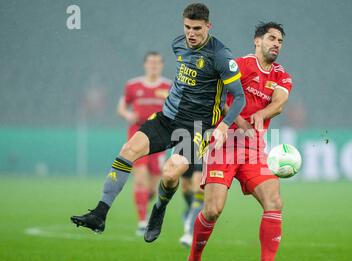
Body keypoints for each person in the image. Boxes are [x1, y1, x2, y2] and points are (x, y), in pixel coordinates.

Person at [70, 3, 246, 240]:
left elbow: (240, 98)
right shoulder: (178, 44)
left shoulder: (221, 56)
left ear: (208, 26)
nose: (191, 33)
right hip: (167, 118)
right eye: (187, 28)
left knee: (171, 173)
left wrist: (224, 125)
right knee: (127, 150)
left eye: (197, 28)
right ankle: (100, 214)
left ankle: (159, 209)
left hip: (196, 127)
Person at [185, 22, 292, 261]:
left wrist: (262, 115)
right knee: (213, 210)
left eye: (280, 40)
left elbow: (279, 102)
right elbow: (218, 98)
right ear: (257, 41)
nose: (276, 44)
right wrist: (240, 120)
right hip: (225, 143)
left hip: (254, 148)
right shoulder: (240, 65)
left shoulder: (282, 75)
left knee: (274, 202)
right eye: (271, 38)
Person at [117, 52, 171, 236]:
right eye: (150, 62)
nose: (153, 65)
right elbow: (122, 106)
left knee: (154, 185)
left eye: (157, 62)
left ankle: (144, 203)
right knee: (140, 177)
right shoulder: (133, 85)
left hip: (159, 137)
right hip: (137, 135)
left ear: (162, 65)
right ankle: (142, 221)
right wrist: (127, 115)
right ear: (145, 65)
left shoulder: (169, 86)